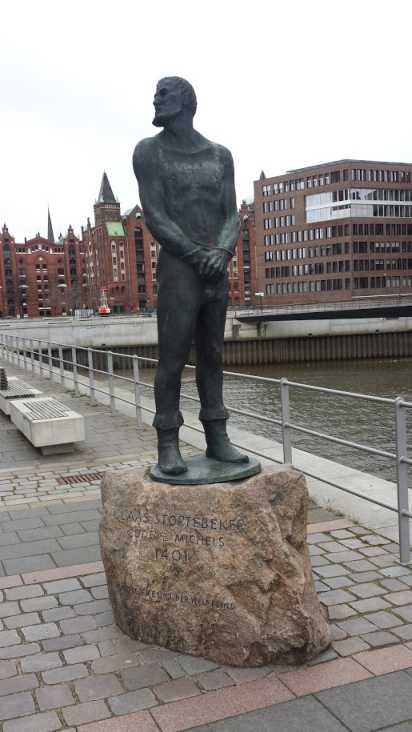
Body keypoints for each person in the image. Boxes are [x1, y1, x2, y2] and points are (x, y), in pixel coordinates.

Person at [133, 76, 248, 475]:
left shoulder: (220, 155)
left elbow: (232, 215)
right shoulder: (149, 152)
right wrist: (198, 254)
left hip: (215, 269)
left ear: (185, 101)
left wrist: (222, 251)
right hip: (181, 269)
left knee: (213, 355)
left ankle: (217, 438)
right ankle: (168, 441)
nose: (156, 98)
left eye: (163, 93)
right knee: (173, 357)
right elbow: (155, 215)